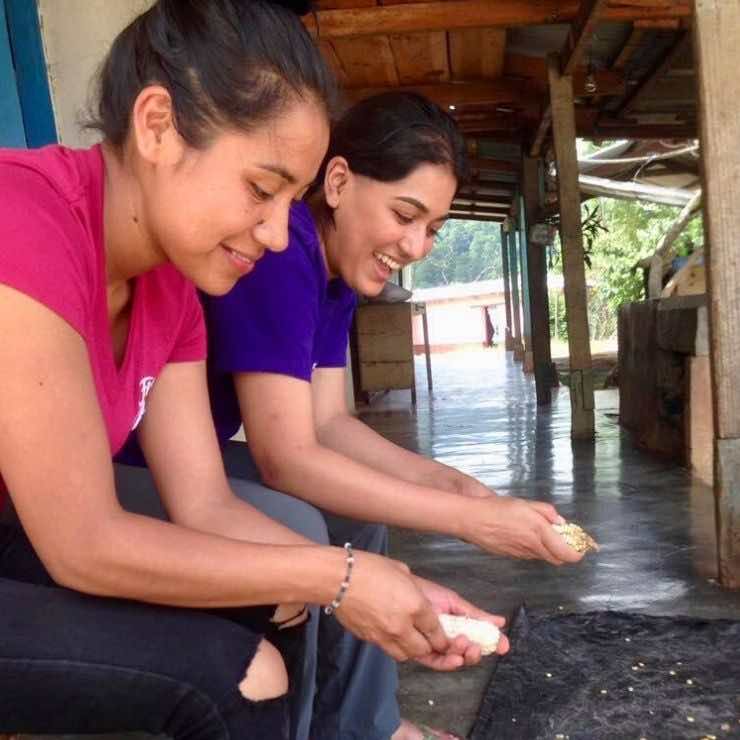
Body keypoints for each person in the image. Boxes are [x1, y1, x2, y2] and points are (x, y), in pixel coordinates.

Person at [0, 3, 509, 738]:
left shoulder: (172, 285)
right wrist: (337, 577)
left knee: (288, 599)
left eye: (288, 201)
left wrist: (398, 590)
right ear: (156, 126)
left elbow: (206, 504)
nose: (276, 235)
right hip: (43, 538)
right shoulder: (24, 219)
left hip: (20, 532)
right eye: (260, 188)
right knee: (246, 670)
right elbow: (84, 543)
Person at [197, 92, 582, 740]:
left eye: (432, 228)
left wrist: (452, 485)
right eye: (406, 215)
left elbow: (327, 424)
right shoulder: (284, 247)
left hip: (193, 456)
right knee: (307, 519)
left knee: (357, 516)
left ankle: (360, 725)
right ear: (340, 181)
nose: (416, 245)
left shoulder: (338, 272)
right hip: (144, 464)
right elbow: (286, 455)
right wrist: (471, 521)